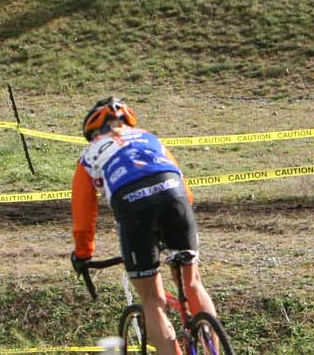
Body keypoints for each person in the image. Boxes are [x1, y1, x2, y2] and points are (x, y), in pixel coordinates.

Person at [70, 98, 217, 355]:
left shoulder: (89, 155)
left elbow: (83, 217)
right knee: (192, 284)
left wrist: (83, 254)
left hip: (134, 208)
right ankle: (214, 349)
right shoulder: (149, 138)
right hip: (175, 198)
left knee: (152, 299)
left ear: (93, 131)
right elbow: (187, 193)